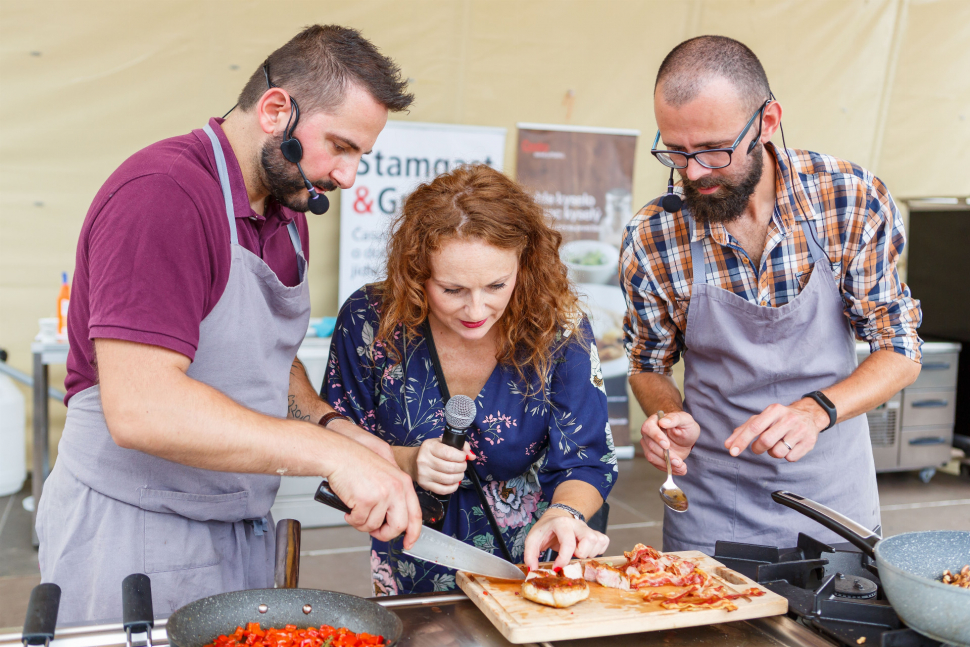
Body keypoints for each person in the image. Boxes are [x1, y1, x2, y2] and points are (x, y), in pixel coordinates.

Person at [37, 26, 424, 622]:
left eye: (359, 157)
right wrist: (327, 456)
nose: (347, 177)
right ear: (276, 111)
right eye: (341, 147)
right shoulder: (163, 195)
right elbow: (142, 406)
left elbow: (266, 355)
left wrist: (333, 425)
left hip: (236, 526)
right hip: (134, 531)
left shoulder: (287, 209)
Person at [621, 36, 922, 555]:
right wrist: (669, 416)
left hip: (835, 499)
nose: (693, 172)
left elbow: (900, 348)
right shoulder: (653, 235)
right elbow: (647, 363)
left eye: (714, 150)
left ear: (768, 121)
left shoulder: (848, 199)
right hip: (712, 505)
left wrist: (815, 411)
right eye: (676, 150)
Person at [326, 164, 618, 595]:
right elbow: (335, 443)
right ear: (416, 272)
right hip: (412, 564)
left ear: (525, 263)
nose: (476, 310)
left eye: (497, 285)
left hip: (531, 571)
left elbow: (587, 460)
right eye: (452, 290)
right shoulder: (370, 321)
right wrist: (405, 461)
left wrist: (566, 515)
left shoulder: (559, 328)